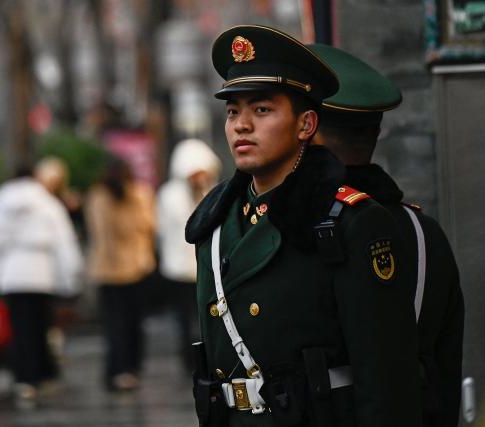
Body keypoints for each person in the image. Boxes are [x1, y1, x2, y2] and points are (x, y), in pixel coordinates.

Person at [186, 25, 422, 426]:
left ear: (306, 125)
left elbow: (386, 383)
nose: (241, 125)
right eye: (232, 111)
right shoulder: (214, 225)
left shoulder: (352, 222)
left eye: (262, 110)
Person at [309, 43, 464, 427]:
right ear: (376, 132)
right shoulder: (424, 233)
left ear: (306, 129)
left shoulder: (305, 232)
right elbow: (445, 373)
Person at [0, 157, 84, 409]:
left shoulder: (0, 205)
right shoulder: (47, 204)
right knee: (40, 324)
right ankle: (42, 374)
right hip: (42, 273)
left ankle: (23, 377)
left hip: (11, 274)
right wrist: (71, 277)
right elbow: (64, 242)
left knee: (19, 328)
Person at [84, 156, 156, 392]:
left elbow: (99, 232)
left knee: (115, 325)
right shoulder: (138, 194)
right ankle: (129, 368)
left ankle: (118, 370)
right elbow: (147, 226)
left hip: (109, 270)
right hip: (134, 267)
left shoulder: (98, 196)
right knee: (131, 323)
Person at [156, 138, 221, 372]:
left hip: (207, 267)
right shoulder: (170, 195)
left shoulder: (213, 190)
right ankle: (189, 359)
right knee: (185, 318)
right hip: (181, 269)